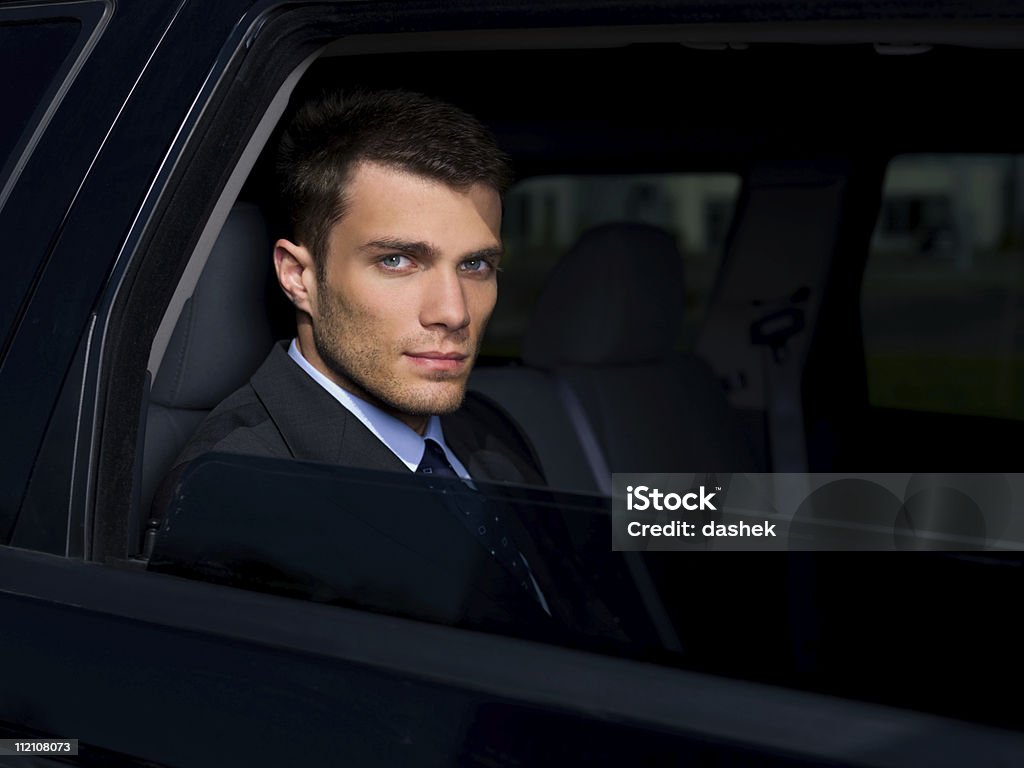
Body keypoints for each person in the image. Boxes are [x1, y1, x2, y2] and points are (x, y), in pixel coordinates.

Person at [154, 89, 637, 644]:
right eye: (398, 260)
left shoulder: (484, 425)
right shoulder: (243, 491)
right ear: (298, 277)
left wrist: (752, 518)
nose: (453, 312)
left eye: (476, 264)